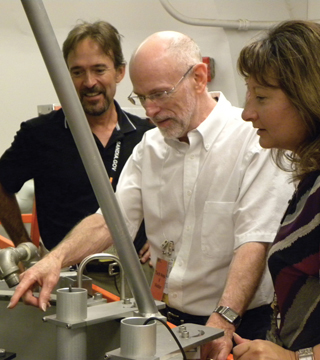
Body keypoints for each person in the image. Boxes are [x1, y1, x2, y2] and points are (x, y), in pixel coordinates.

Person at [8, 31, 293, 360]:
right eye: (141, 98)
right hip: (168, 319)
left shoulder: (253, 141)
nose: (152, 110)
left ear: (199, 77)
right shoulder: (151, 147)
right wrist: (53, 260)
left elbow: (254, 242)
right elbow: (109, 222)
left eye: (160, 94)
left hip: (238, 324)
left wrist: (223, 320)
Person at [0, 21, 153, 256]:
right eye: (78, 72)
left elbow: (174, 194)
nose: (89, 82)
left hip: (136, 276)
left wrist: (160, 237)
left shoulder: (147, 134)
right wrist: (24, 243)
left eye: (99, 70)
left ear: (120, 72)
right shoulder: (39, 134)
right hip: (64, 278)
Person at [231, 20, 320, 360]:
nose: (247, 113)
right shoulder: (310, 182)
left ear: (308, 95)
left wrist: (298, 358)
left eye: (262, 97)